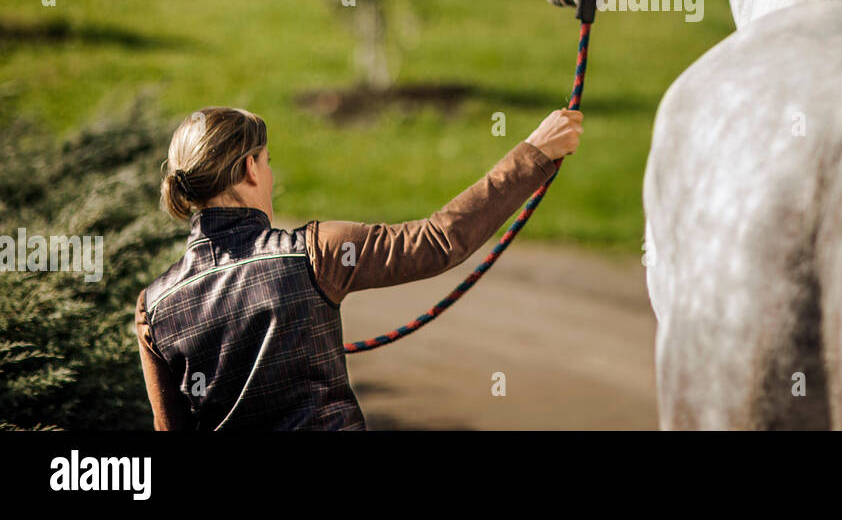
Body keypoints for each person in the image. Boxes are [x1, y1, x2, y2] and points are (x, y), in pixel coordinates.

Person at [135, 105, 583, 430]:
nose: (271, 176)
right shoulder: (317, 252)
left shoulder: (153, 308)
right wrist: (534, 154)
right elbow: (440, 240)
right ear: (250, 168)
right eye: (268, 162)